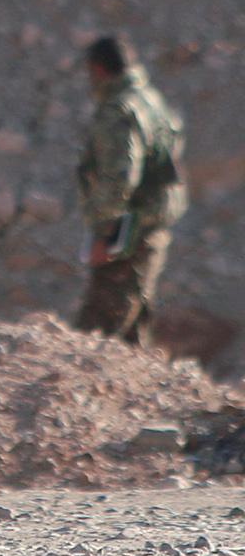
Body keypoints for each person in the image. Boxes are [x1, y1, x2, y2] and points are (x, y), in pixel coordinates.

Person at [74, 35, 188, 345]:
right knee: (132, 336)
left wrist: (103, 236)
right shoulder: (150, 99)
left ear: (98, 70)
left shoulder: (119, 110)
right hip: (153, 225)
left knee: (93, 339)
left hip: (129, 233)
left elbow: (119, 180)